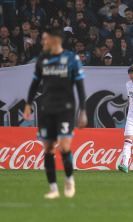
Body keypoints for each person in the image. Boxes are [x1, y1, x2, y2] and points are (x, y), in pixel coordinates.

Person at [23, 27, 87, 199]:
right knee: (48, 149)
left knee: (65, 147)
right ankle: (53, 188)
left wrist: (83, 110)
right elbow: (35, 84)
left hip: (65, 109)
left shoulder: (72, 59)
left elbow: (80, 86)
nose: (42, 42)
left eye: (45, 39)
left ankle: (69, 179)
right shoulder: (42, 59)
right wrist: (28, 104)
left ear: (56, 40)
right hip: (46, 110)